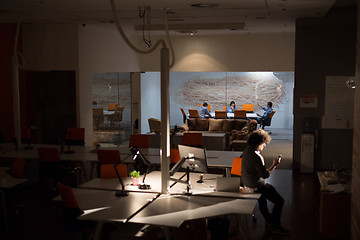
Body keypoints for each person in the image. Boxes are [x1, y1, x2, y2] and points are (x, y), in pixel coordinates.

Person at [241, 129, 289, 234]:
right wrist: (275, 165)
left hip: (247, 184)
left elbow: (251, 169)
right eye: (263, 143)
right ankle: (276, 226)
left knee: (262, 201)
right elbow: (265, 175)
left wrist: (256, 173)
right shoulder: (257, 157)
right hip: (257, 186)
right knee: (279, 201)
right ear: (258, 143)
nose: (264, 146)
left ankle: (268, 220)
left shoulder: (246, 151)